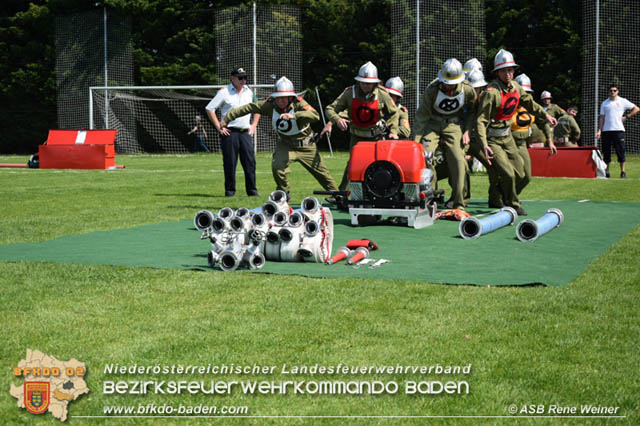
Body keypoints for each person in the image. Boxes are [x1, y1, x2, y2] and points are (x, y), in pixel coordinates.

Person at [222, 76, 338, 199]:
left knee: (323, 174)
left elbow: (315, 116)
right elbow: (248, 108)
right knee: (277, 167)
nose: (281, 100)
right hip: (285, 145)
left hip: (306, 146)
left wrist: (295, 116)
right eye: (279, 97)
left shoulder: (299, 103)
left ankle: (338, 197)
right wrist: (227, 118)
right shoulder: (269, 106)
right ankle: (284, 193)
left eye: (285, 97)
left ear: (290, 97)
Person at [476, 49, 557, 216]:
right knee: (508, 173)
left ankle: (502, 190)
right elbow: (481, 120)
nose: (508, 74)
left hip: (507, 137)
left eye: (511, 70)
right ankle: (512, 203)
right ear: (497, 72)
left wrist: (546, 115)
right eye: (504, 70)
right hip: (493, 139)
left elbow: (531, 104)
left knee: (521, 173)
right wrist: (484, 144)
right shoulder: (491, 93)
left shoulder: (517, 88)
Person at [325, 61, 400, 192]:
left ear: (375, 83)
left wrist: (393, 131)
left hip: (376, 137)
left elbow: (394, 112)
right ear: (358, 81)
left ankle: (377, 192)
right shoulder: (349, 93)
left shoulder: (382, 94)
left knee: (378, 166)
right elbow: (330, 108)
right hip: (356, 137)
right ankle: (343, 194)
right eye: (363, 82)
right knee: (353, 166)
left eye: (369, 83)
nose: (365, 85)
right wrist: (336, 120)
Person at [414, 58, 477, 209]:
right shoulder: (432, 89)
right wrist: (416, 141)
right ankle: (429, 198)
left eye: (452, 82)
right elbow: (422, 115)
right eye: (446, 82)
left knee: (458, 159)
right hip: (432, 124)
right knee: (426, 157)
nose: (448, 85)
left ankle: (458, 202)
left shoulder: (467, 90)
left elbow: (472, 111)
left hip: (454, 125)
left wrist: (467, 130)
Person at [205, 67, 261, 197]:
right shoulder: (224, 92)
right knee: (230, 162)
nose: (243, 80)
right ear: (232, 78)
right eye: (240, 78)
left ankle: (252, 191)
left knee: (250, 162)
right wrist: (219, 126)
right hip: (230, 133)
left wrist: (253, 125)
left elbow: (258, 108)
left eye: (245, 78)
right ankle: (230, 192)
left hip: (246, 133)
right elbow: (210, 108)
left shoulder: (249, 92)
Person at [466, 68, 503, 207]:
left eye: (478, 88)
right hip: (463, 140)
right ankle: (460, 201)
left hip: (480, 141)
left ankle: (495, 199)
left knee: (494, 167)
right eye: (473, 88)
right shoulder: (460, 98)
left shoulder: (487, 97)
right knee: (459, 167)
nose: (475, 91)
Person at [596, 84, 639, 178]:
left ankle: (623, 172)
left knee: (621, 152)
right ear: (608, 92)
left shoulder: (623, 101)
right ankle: (606, 172)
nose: (612, 92)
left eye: (614, 90)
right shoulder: (604, 103)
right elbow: (602, 118)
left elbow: (636, 109)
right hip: (606, 131)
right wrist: (599, 130)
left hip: (619, 131)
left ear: (617, 91)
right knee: (606, 152)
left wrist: (626, 117)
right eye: (611, 90)